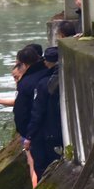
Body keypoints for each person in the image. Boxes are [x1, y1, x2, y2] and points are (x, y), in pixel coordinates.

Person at [24, 47, 63, 181]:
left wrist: (29, 136)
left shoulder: (43, 83)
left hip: (46, 134)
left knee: (42, 166)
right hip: (59, 131)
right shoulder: (63, 78)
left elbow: (37, 112)